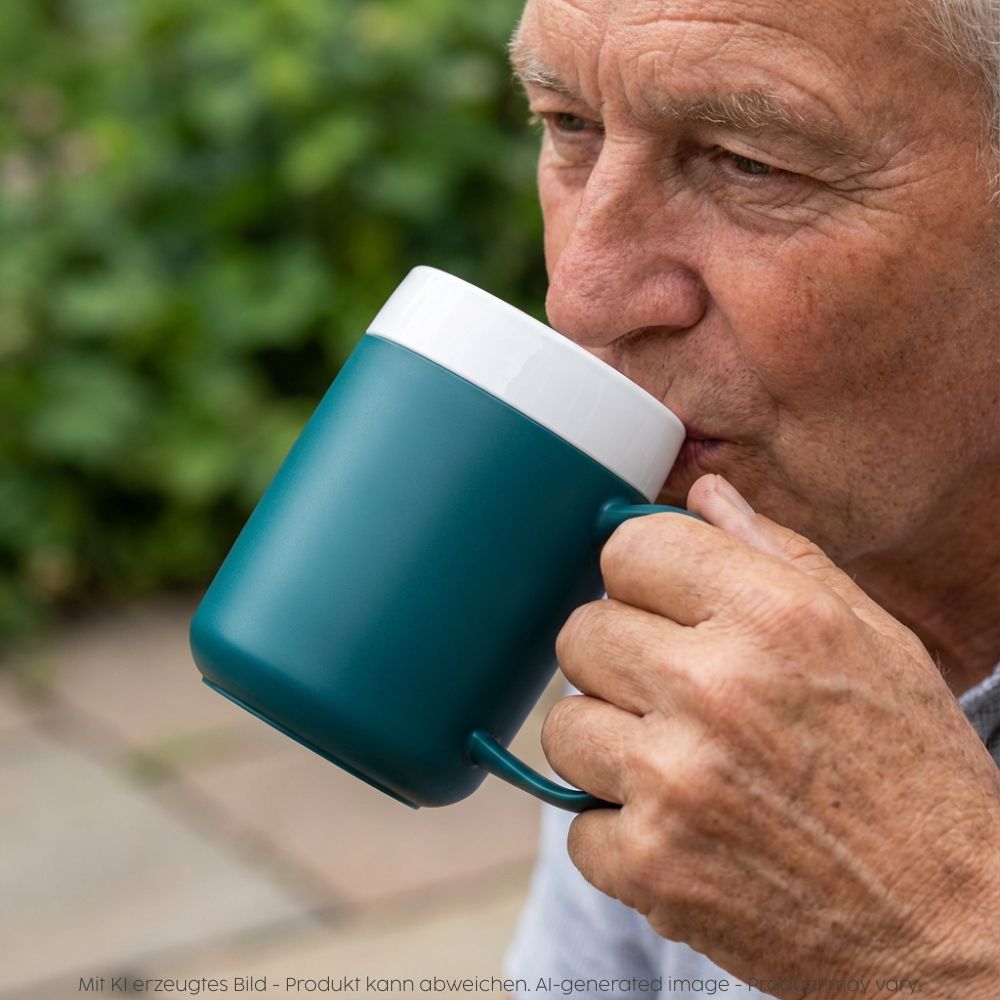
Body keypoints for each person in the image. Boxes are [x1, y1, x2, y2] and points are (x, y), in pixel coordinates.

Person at [500, 0, 1000, 997]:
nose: (582, 297)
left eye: (747, 162)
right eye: (569, 125)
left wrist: (942, 934)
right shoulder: (692, 589)